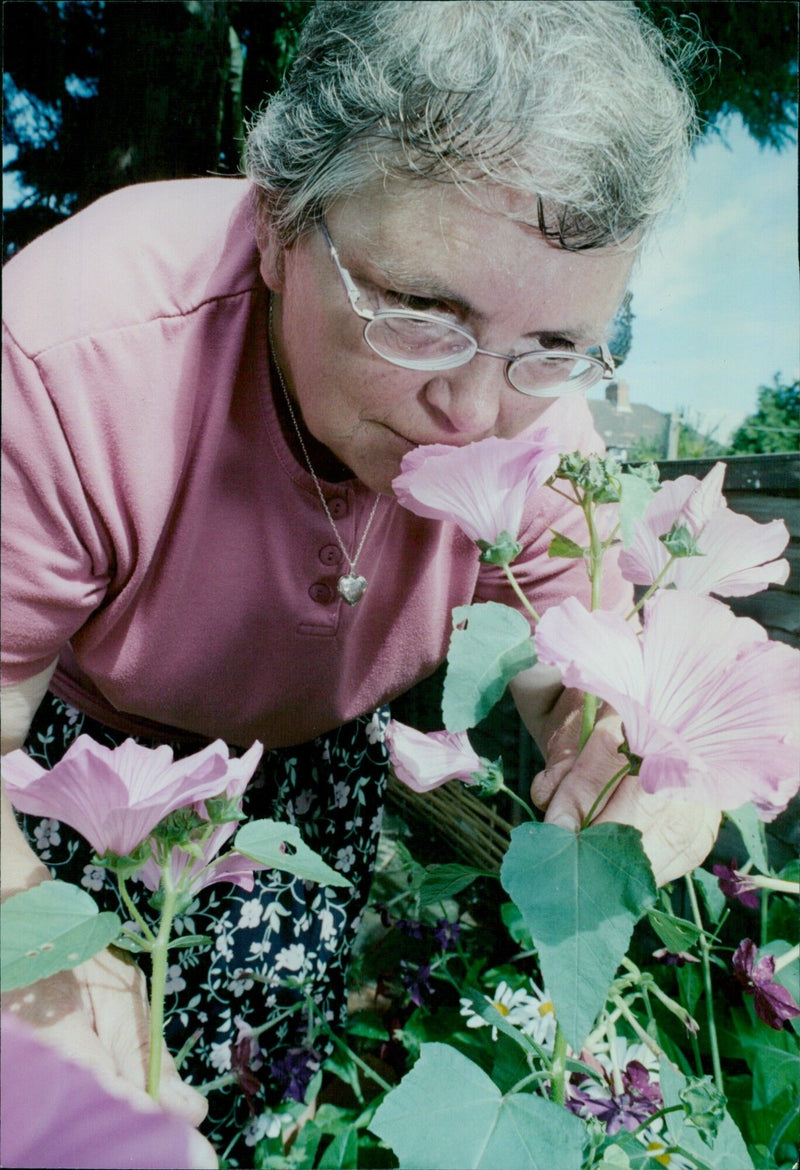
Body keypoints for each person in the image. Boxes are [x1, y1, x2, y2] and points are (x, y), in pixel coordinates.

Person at [1, 0, 717, 1161]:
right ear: (282, 225)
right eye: (423, 314)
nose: (478, 417)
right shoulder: (62, 353)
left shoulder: (541, 421)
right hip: (69, 763)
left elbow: (588, 674)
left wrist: (654, 771)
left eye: (552, 348)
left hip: (312, 762)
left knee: (253, 1089)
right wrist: (30, 944)